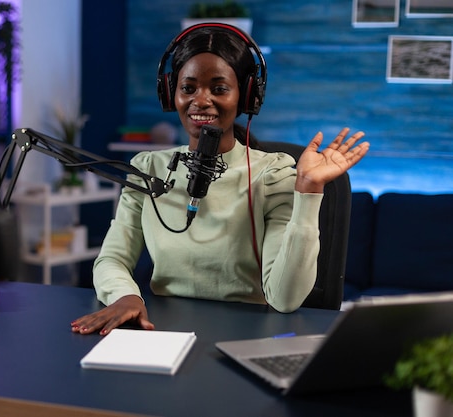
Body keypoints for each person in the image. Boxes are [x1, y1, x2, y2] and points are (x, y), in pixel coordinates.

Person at [71, 23, 369, 336]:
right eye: (188, 88)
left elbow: (285, 298)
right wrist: (125, 296)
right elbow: (112, 258)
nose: (200, 100)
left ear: (246, 96)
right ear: (170, 92)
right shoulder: (149, 169)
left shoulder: (272, 175)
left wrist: (308, 189)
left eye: (219, 88)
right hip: (163, 332)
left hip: (246, 335)